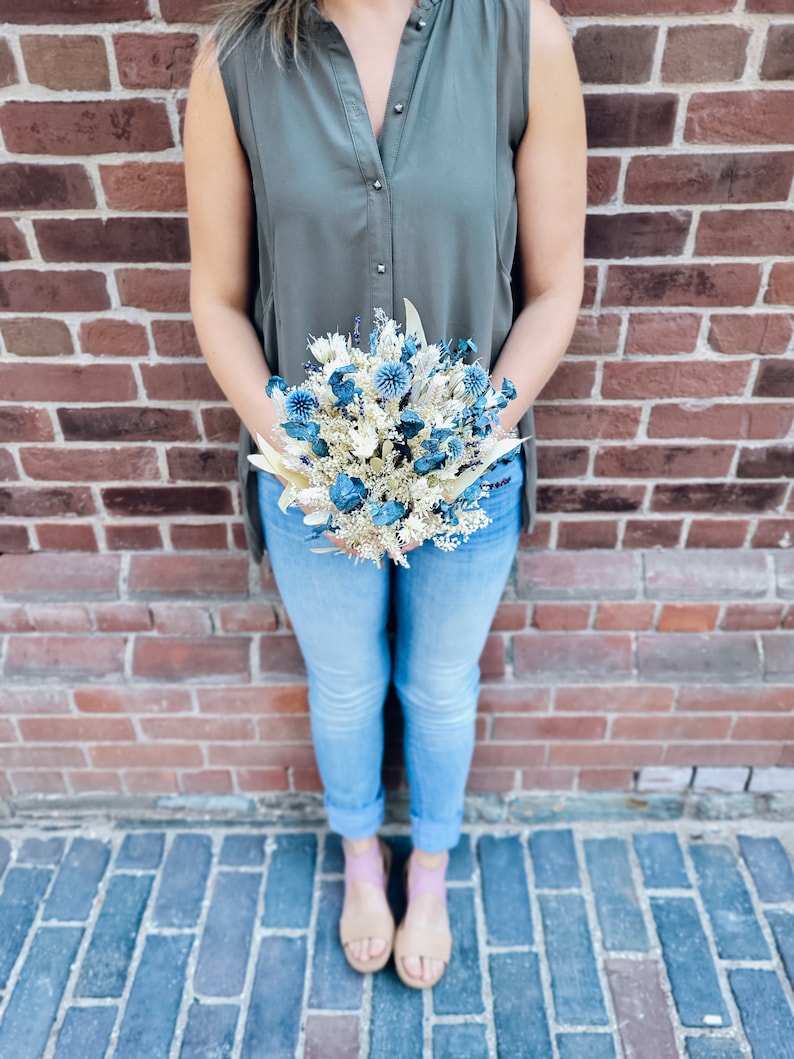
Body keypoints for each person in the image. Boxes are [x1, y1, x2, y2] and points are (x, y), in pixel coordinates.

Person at [184, 0, 586, 989]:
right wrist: (304, 445)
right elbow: (216, 298)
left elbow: (555, 285)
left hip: (468, 471)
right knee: (347, 683)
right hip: (313, 479)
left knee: (441, 684)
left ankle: (431, 871)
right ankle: (363, 861)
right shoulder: (234, 60)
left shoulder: (517, 35)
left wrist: (467, 434)